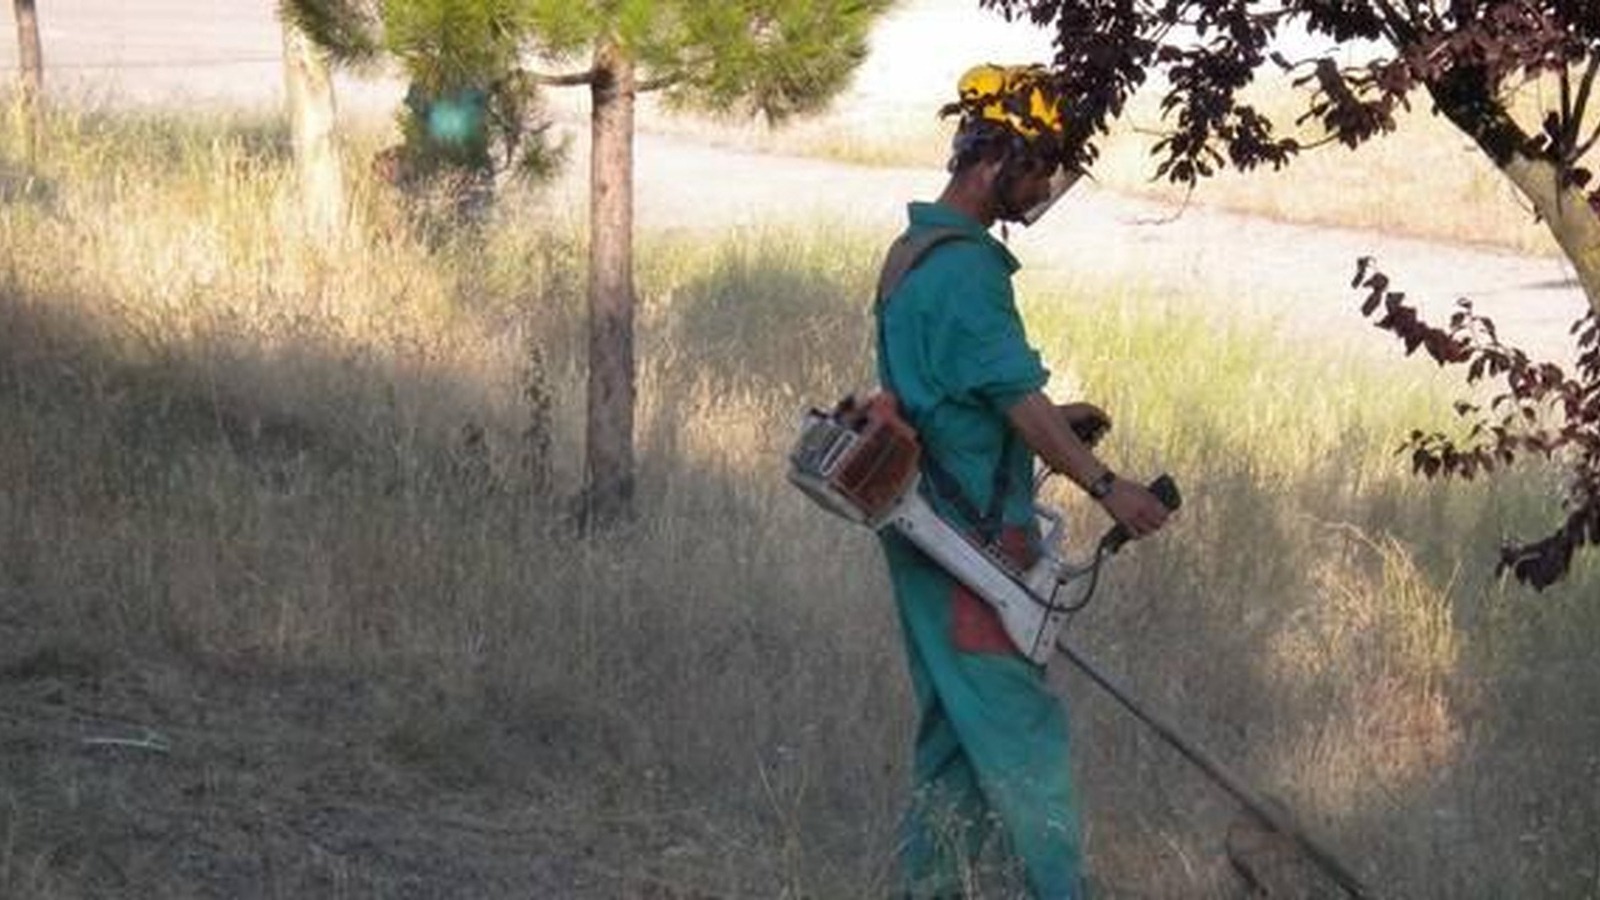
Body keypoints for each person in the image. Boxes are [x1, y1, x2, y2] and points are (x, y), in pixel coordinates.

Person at [874, 64, 1173, 899]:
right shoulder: (967, 270)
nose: (1044, 186)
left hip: (922, 531)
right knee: (1025, 735)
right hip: (968, 546)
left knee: (955, 742)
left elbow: (964, 395)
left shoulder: (913, 253)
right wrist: (1107, 484)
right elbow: (1008, 394)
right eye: (1039, 165)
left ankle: (927, 887)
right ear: (992, 157)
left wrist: (1048, 417)